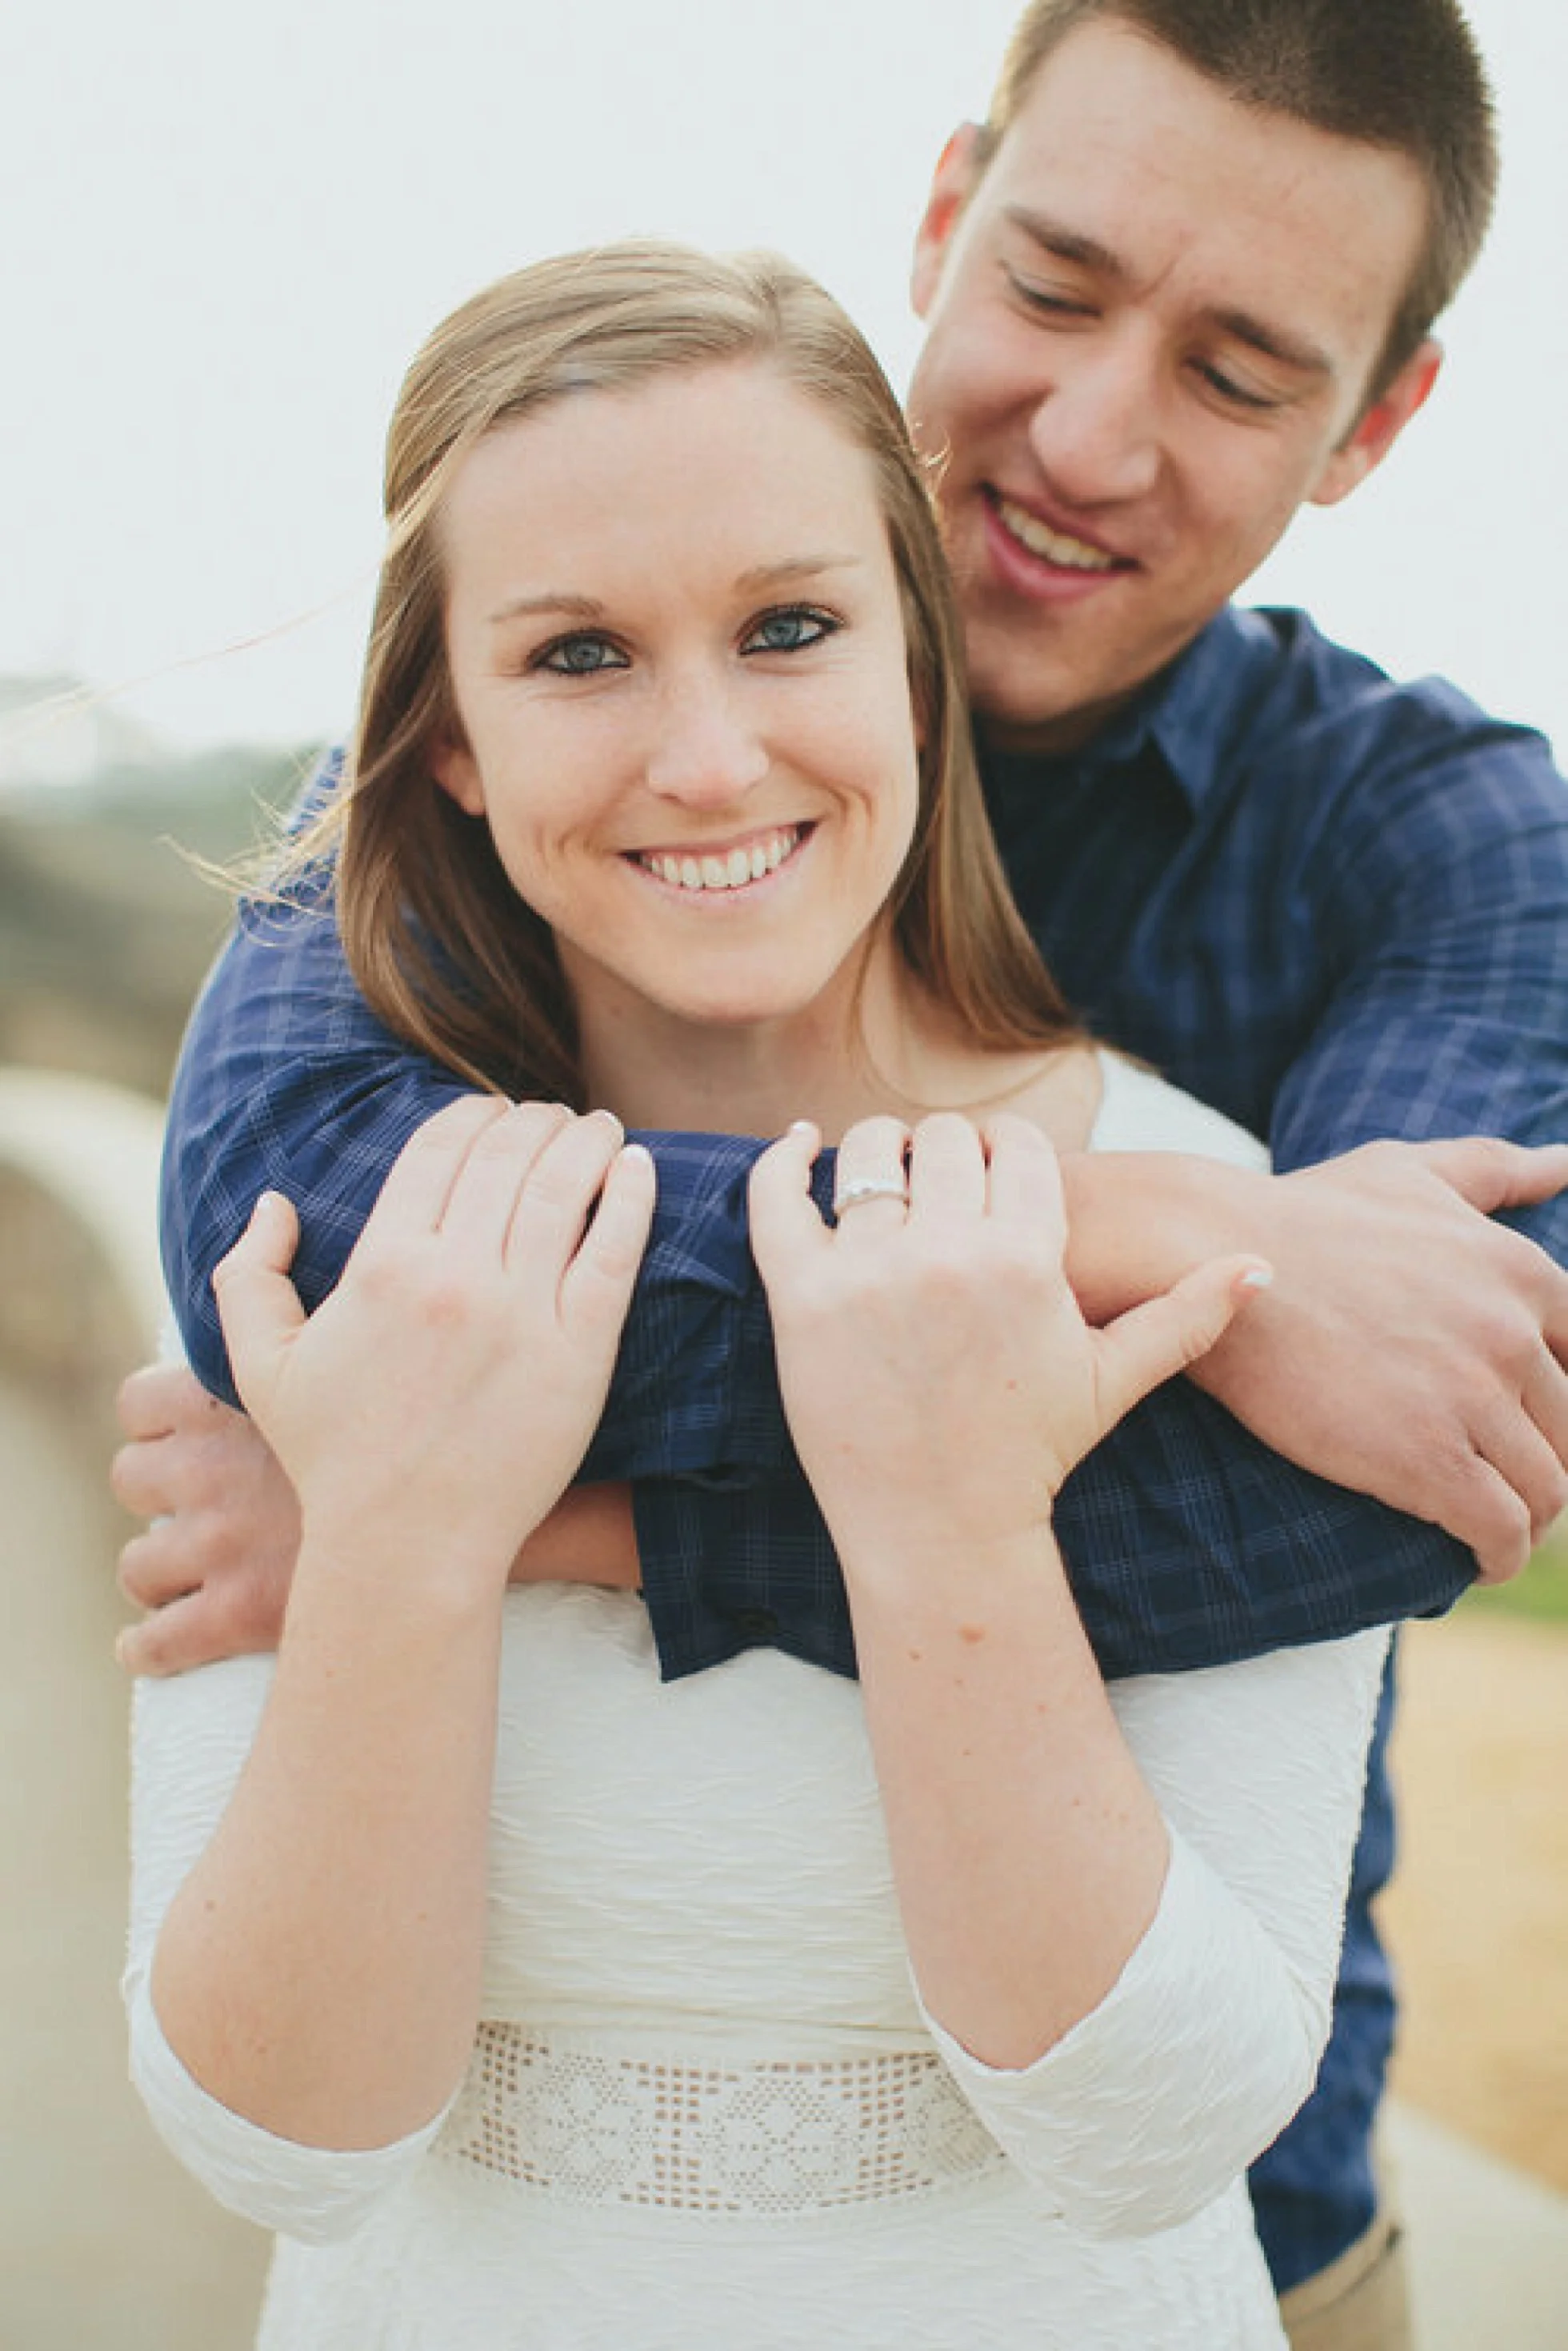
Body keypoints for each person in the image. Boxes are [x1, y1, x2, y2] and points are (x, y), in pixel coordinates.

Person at [115, 4, 1568, 2345]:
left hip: (1227, 2204)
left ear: (1374, 423)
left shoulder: (1437, 840)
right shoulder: (537, 699)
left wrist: (520, 1514)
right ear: (946, 213)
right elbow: (289, 1221)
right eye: (1059, 287)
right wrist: (1139, 1239)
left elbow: (1416, 1453)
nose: (1090, 436)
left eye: (1235, 373)